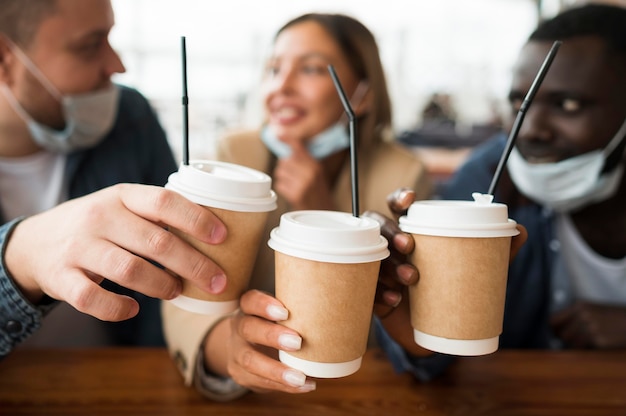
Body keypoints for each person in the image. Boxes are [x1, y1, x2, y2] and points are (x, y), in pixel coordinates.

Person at [161, 13, 433, 400]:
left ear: (363, 94)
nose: (281, 87)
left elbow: (387, 330)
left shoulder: (402, 174)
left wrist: (323, 216)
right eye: (273, 69)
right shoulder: (235, 155)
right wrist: (230, 351)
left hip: (354, 391)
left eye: (310, 69)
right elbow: (192, 294)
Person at [373, 3, 626, 381]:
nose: (530, 131)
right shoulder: (490, 175)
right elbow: (439, 364)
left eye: (567, 105)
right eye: (520, 104)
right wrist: (421, 335)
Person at [0, 0, 228, 357]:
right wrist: (18, 255)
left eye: (109, 38)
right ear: (4, 58)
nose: (118, 65)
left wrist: (212, 351)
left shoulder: (130, 118)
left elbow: (170, 309)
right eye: (89, 46)